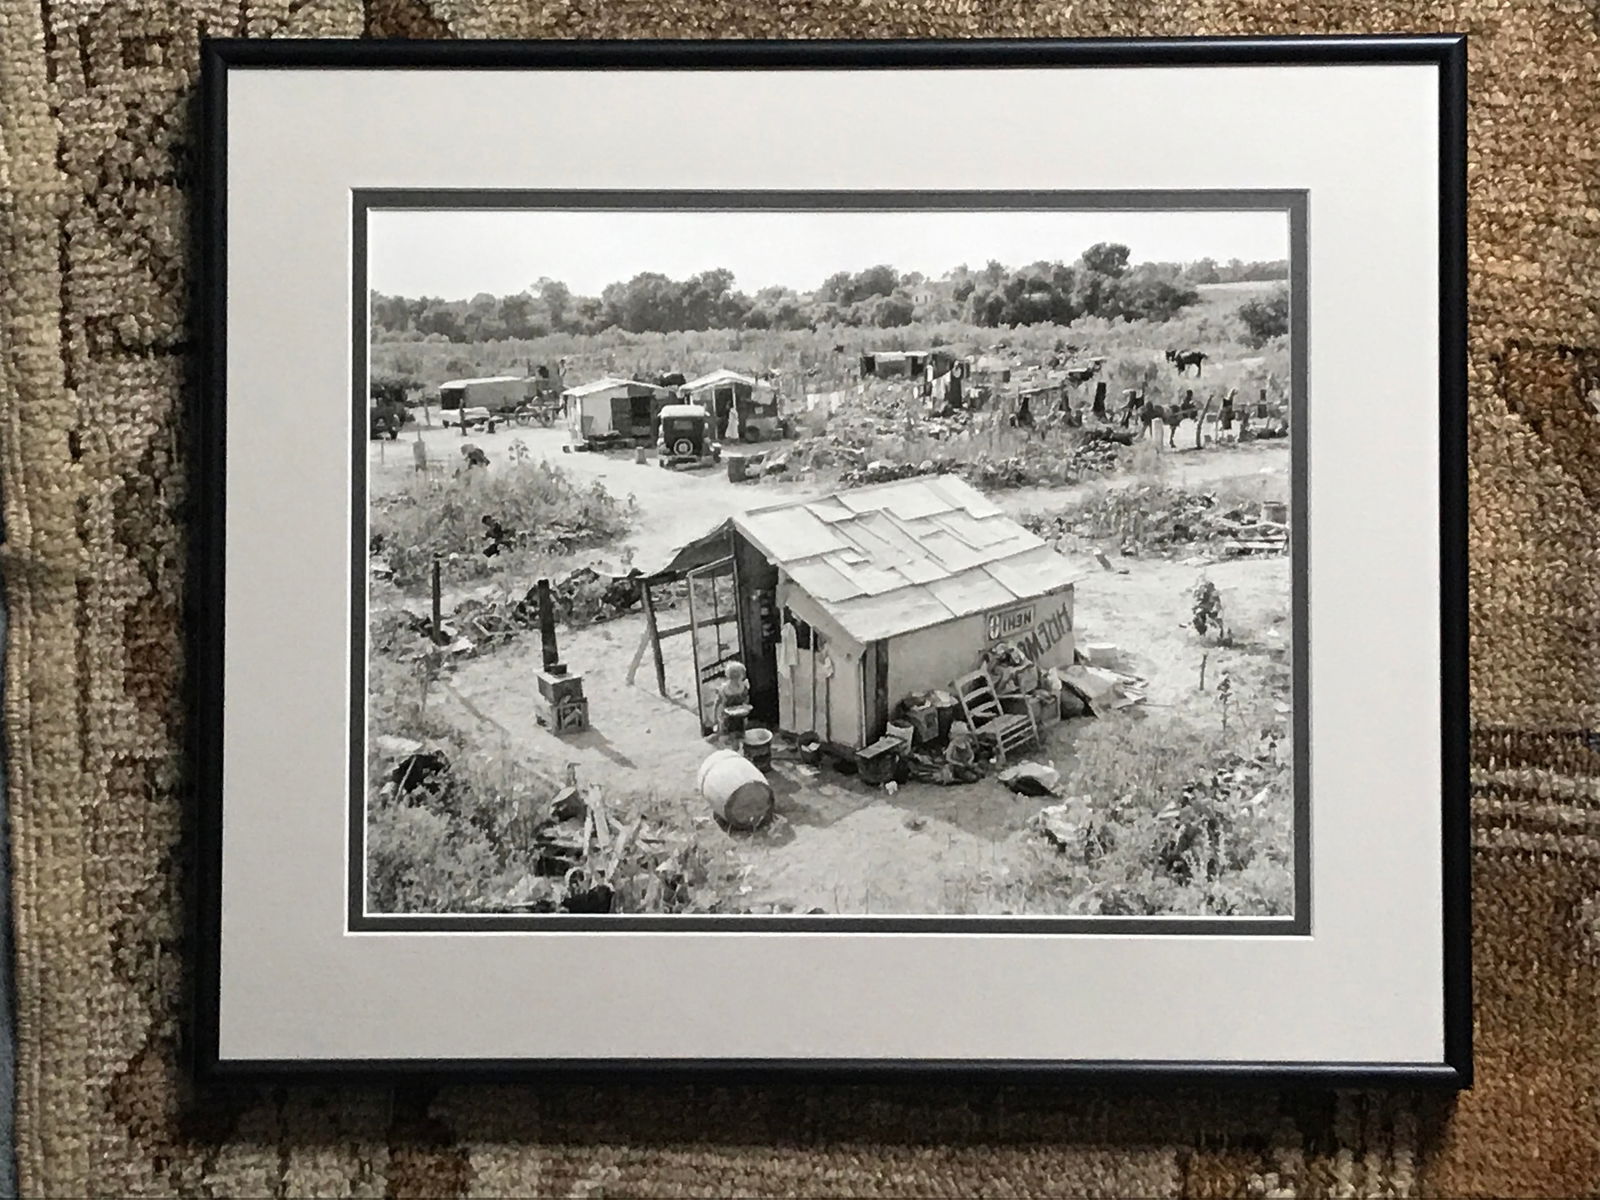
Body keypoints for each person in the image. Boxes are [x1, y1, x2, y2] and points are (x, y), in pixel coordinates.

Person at [711, 660, 751, 735]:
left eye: (738, 675)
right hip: (726, 720)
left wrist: (745, 707)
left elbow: (746, 700)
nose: (736, 678)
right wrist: (715, 720)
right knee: (728, 737)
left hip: (740, 719)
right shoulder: (723, 689)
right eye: (734, 676)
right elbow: (717, 704)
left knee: (740, 736)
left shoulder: (744, 687)